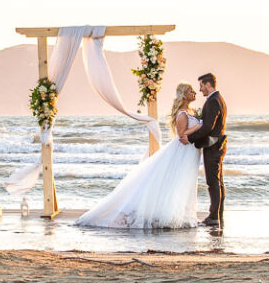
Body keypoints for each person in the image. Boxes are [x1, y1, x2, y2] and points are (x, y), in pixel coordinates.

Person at [75, 83, 202, 229]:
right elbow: (181, 135)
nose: (194, 93)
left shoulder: (191, 111)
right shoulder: (182, 114)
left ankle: (183, 214)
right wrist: (198, 126)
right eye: (191, 91)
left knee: (184, 183)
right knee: (176, 181)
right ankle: (167, 215)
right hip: (182, 152)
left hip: (190, 153)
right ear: (184, 94)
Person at [180, 73, 227, 228]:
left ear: (208, 84)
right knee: (218, 181)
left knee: (213, 181)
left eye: (201, 86)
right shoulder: (218, 99)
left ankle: (214, 216)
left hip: (213, 145)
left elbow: (208, 127)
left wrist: (191, 138)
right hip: (217, 145)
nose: (200, 90)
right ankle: (218, 214)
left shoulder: (213, 101)